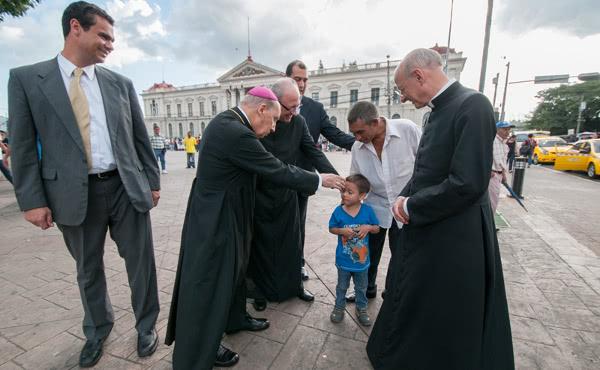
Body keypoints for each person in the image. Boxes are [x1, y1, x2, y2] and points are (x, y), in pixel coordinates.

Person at [7, 2, 161, 367]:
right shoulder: (27, 79)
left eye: (112, 38)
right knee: (87, 268)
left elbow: (140, 138)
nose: (110, 44)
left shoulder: (119, 83)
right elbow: (23, 145)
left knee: (141, 263)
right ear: (76, 27)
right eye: (104, 36)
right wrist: (31, 200)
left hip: (125, 187)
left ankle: (146, 326)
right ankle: (97, 330)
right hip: (72, 193)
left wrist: (152, 181)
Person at [164, 86, 345, 369]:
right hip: (216, 219)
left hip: (230, 212)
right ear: (261, 109)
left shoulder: (232, 123)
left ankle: (236, 319)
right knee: (209, 283)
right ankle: (200, 352)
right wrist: (320, 181)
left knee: (236, 271)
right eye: (273, 120)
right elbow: (275, 168)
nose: (274, 128)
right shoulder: (234, 131)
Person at [366, 48, 514, 369]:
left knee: (446, 308)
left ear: (419, 76)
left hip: (457, 232)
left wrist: (412, 204)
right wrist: (402, 197)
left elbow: (467, 182)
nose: (403, 99)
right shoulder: (434, 113)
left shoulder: (472, 105)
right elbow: (425, 169)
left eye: (403, 90)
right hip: (431, 224)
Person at [247, 78, 338, 312]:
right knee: (260, 245)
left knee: (292, 243)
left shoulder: (298, 122)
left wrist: (335, 177)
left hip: (287, 191)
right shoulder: (257, 122)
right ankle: (259, 290)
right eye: (290, 107)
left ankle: (294, 285)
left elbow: (312, 151)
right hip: (259, 193)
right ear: (274, 104)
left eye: (298, 106)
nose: (294, 112)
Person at [286, 60, 356, 281]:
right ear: (287, 78)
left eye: (305, 79)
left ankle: (297, 263)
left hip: (305, 178)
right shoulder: (275, 105)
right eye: (297, 79)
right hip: (277, 178)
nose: (302, 84)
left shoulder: (315, 109)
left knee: (298, 223)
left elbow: (333, 135)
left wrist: (362, 142)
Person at [345, 101, 420, 302]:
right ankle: (365, 289)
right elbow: (356, 177)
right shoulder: (357, 147)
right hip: (374, 208)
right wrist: (349, 194)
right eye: (354, 133)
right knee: (367, 253)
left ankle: (394, 292)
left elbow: (425, 162)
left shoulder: (408, 130)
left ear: (376, 122)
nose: (357, 138)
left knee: (401, 254)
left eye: (360, 132)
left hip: (404, 207)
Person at [329, 174, 379, 326]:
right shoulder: (338, 211)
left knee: (361, 287)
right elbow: (332, 228)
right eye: (343, 191)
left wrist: (368, 227)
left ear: (362, 196)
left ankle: (361, 308)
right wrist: (341, 231)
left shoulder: (368, 211)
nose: (344, 194)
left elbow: (377, 228)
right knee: (342, 286)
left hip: (362, 262)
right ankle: (339, 306)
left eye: (350, 192)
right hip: (343, 260)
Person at [489, 121, 512, 213]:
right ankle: (488, 223)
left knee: (494, 199)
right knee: (492, 200)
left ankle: (489, 222)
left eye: (508, 130)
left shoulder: (503, 144)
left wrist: (503, 174)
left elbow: (502, 161)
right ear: (497, 130)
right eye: (505, 129)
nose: (507, 132)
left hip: (497, 174)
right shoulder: (493, 141)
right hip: (492, 174)